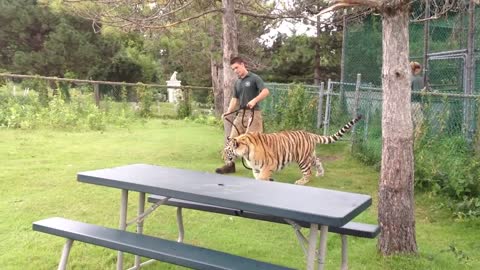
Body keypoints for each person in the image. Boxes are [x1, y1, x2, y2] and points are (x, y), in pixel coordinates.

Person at [215, 56, 270, 174]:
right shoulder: (238, 82)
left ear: (243, 64)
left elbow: (265, 92)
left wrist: (254, 101)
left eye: (236, 68)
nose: (235, 71)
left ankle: (263, 167)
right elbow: (235, 99)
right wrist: (228, 112)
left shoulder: (254, 78)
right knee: (232, 140)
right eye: (233, 69)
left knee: (256, 142)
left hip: (254, 114)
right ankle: (230, 165)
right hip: (240, 114)